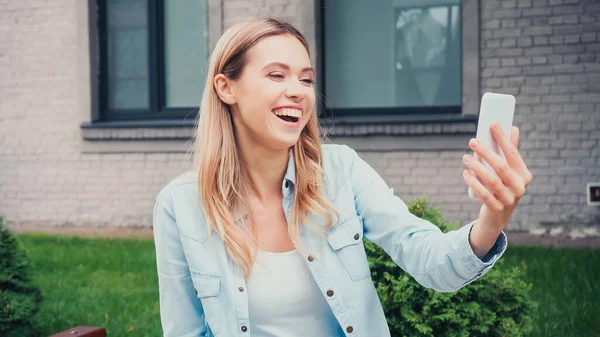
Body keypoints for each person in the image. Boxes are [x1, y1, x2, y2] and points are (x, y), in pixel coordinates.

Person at [152, 18, 532, 337]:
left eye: (305, 79)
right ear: (226, 87)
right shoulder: (180, 205)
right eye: (276, 75)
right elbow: (186, 330)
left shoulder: (341, 171)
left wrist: (491, 220)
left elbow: (429, 260)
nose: (297, 92)